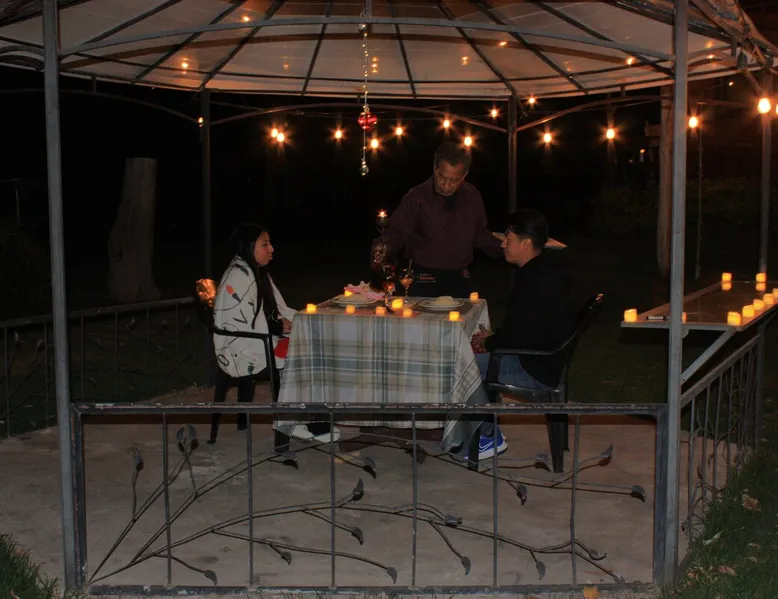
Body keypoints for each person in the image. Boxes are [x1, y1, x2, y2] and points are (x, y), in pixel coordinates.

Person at [467, 209, 576, 460]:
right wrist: (493, 339)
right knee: (473, 358)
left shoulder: (534, 279)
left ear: (525, 243)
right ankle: (480, 431)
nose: (502, 244)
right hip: (545, 360)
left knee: (463, 365)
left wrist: (489, 342)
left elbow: (520, 336)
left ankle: (487, 436)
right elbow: (524, 327)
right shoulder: (544, 270)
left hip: (534, 367)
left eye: (508, 239)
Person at [213, 223, 336, 442]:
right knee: (303, 356)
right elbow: (240, 327)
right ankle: (291, 422)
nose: (272, 249)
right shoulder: (239, 278)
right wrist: (279, 327)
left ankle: (309, 418)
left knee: (313, 345)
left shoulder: (255, 271)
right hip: (244, 350)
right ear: (249, 246)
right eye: (265, 244)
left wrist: (296, 321)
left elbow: (273, 310)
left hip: (260, 338)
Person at [377, 140, 503, 298]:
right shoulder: (416, 197)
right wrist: (382, 249)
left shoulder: (472, 197)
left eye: (454, 180)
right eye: (442, 177)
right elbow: (396, 232)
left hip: (459, 276)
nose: (446, 185)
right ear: (435, 168)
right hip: (424, 278)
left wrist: (504, 247)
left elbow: (479, 234)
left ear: (464, 175)